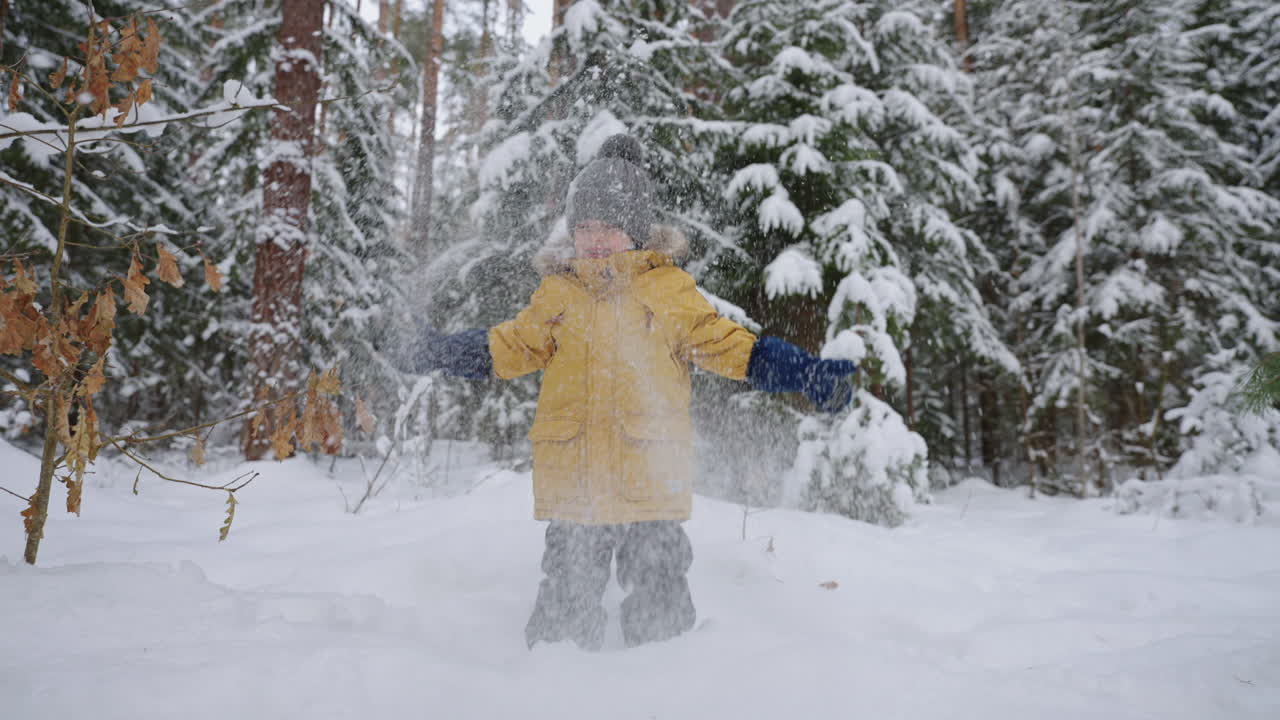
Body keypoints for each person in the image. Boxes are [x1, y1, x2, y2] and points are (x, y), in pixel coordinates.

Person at [411, 134, 856, 650]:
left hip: (650, 481)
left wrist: (804, 373)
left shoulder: (668, 292)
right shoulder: (558, 294)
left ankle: (663, 684)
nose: (595, 239)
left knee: (660, 591)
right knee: (566, 594)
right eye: (584, 228)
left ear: (638, 233)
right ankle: (552, 687)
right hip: (576, 483)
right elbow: (507, 347)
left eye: (610, 227)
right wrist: (437, 352)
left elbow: (732, 348)